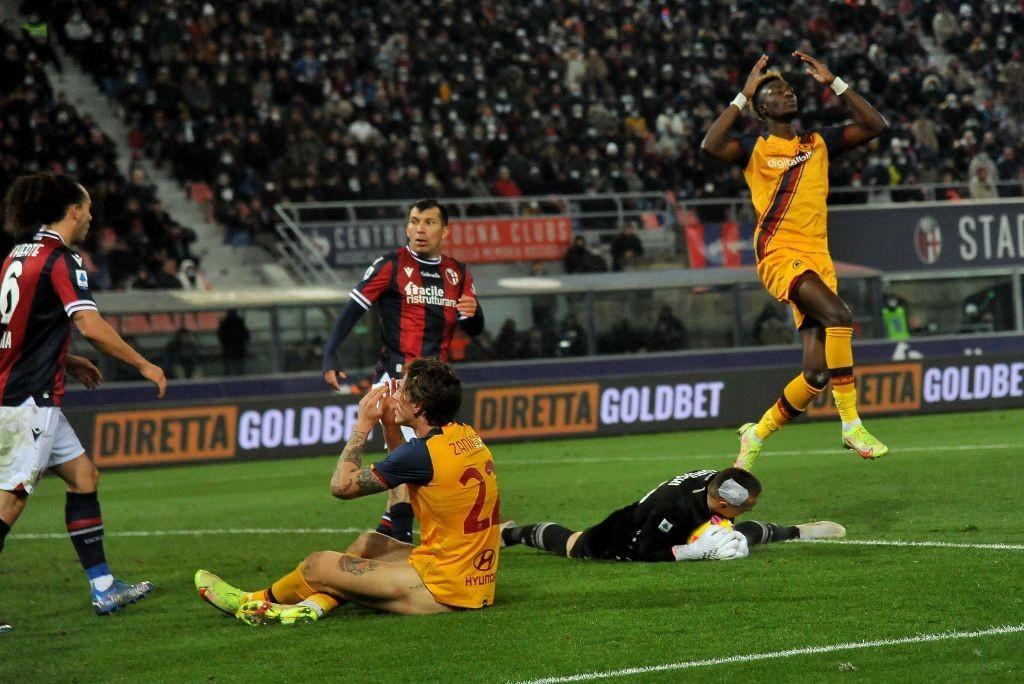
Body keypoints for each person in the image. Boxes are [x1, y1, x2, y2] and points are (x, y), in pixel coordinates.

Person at [194, 358, 500, 624]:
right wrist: (390, 424)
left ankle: (251, 599)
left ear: (418, 406)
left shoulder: (420, 454)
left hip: (442, 589)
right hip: (473, 577)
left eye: (402, 390)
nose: (395, 392)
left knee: (318, 565)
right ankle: (312, 606)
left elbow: (340, 487)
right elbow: (408, 468)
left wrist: (362, 425)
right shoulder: (464, 435)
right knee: (368, 543)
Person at [701, 52, 890, 468]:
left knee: (816, 375)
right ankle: (851, 424)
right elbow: (711, 144)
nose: (787, 93)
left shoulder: (818, 142)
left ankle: (757, 433)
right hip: (779, 253)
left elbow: (876, 126)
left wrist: (834, 82)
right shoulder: (753, 148)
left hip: (818, 258)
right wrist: (741, 95)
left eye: (789, 89)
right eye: (776, 92)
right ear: (762, 108)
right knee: (840, 316)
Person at [0, 173, 167, 628]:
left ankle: (103, 587)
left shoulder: (18, 254)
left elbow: (17, 327)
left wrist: (65, 357)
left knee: (83, 476)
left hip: (27, 393)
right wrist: (143, 364)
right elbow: (92, 325)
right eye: (88, 208)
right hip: (26, 400)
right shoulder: (61, 258)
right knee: (10, 503)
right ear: (73, 210)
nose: (91, 216)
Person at [321, 199, 484, 546]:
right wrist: (330, 354)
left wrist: (475, 312)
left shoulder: (457, 272)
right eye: (414, 221)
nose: (420, 229)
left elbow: (473, 327)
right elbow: (353, 309)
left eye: (428, 222)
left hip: (438, 385)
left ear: (445, 230)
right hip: (399, 381)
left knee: (425, 460)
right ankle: (403, 540)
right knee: (409, 458)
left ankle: (390, 530)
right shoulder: (391, 265)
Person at [501, 468, 844, 562]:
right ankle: (510, 534)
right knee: (574, 544)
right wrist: (691, 552)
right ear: (725, 505)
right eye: (747, 505)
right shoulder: (675, 509)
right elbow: (642, 552)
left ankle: (797, 531)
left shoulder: (720, 483)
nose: (750, 506)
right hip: (626, 533)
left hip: (687, 523)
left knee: (736, 538)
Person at [217, 309, 250, 376]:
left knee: (230, 369)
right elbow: (246, 335)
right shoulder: (239, 322)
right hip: (237, 350)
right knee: (239, 370)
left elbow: (221, 337)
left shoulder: (224, 323)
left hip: (229, 350)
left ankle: (230, 378)